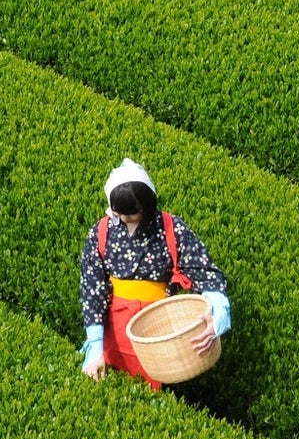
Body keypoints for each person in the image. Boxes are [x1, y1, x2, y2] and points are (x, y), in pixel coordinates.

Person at [79, 158, 230, 391]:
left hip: (159, 323)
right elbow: (92, 288)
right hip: (114, 325)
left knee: (157, 385)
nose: (127, 219)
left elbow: (203, 271)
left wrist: (219, 311)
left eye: (133, 213)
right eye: (121, 214)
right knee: (114, 386)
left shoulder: (171, 227)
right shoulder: (101, 231)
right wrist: (95, 346)